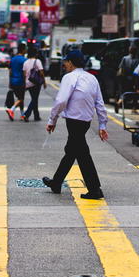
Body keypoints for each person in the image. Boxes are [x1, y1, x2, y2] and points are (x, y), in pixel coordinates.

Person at [42, 50, 108, 200]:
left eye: (66, 61)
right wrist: (102, 124)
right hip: (85, 121)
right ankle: (56, 182)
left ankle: (94, 189)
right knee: (71, 151)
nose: (64, 64)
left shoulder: (69, 77)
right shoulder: (92, 78)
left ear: (71, 62)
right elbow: (100, 103)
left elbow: (61, 101)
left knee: (82, 154)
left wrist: (52, 120)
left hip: (73, 121)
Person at [22, 45, 45, 122]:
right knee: (34, 99)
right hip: (36, 83)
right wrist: (44, 82)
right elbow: (41, 72)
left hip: (28, 83)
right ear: (35, 54)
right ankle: (26, 114)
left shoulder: (25, 62)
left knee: (34, 99)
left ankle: (36, 116)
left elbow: (24, 75)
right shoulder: (37, 61)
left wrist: (25, 84)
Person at [6, 44, 27, 121]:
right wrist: (26, 82)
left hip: (13, 81)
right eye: (25, 49)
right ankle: (11, 109)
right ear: (23, 50)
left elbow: (10, 71)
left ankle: (22, 114)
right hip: (20, 81)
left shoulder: (13, 59)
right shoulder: (24, 60)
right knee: (21, 98)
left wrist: (10, 82)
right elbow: (24, 73)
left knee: (20, 98)